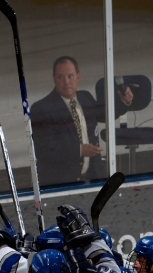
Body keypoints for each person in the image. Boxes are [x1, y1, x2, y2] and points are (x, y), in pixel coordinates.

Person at [33, 56, 104, 186]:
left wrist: (124, 101)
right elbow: (43, 151)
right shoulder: (41, 109)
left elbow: (105, 115)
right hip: (60, 183)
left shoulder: (86, 97)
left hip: (93, 179)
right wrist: (80, 150)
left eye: (70, 76)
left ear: (78, 76)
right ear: (54, 79)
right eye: (60, 77)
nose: (66, 82)